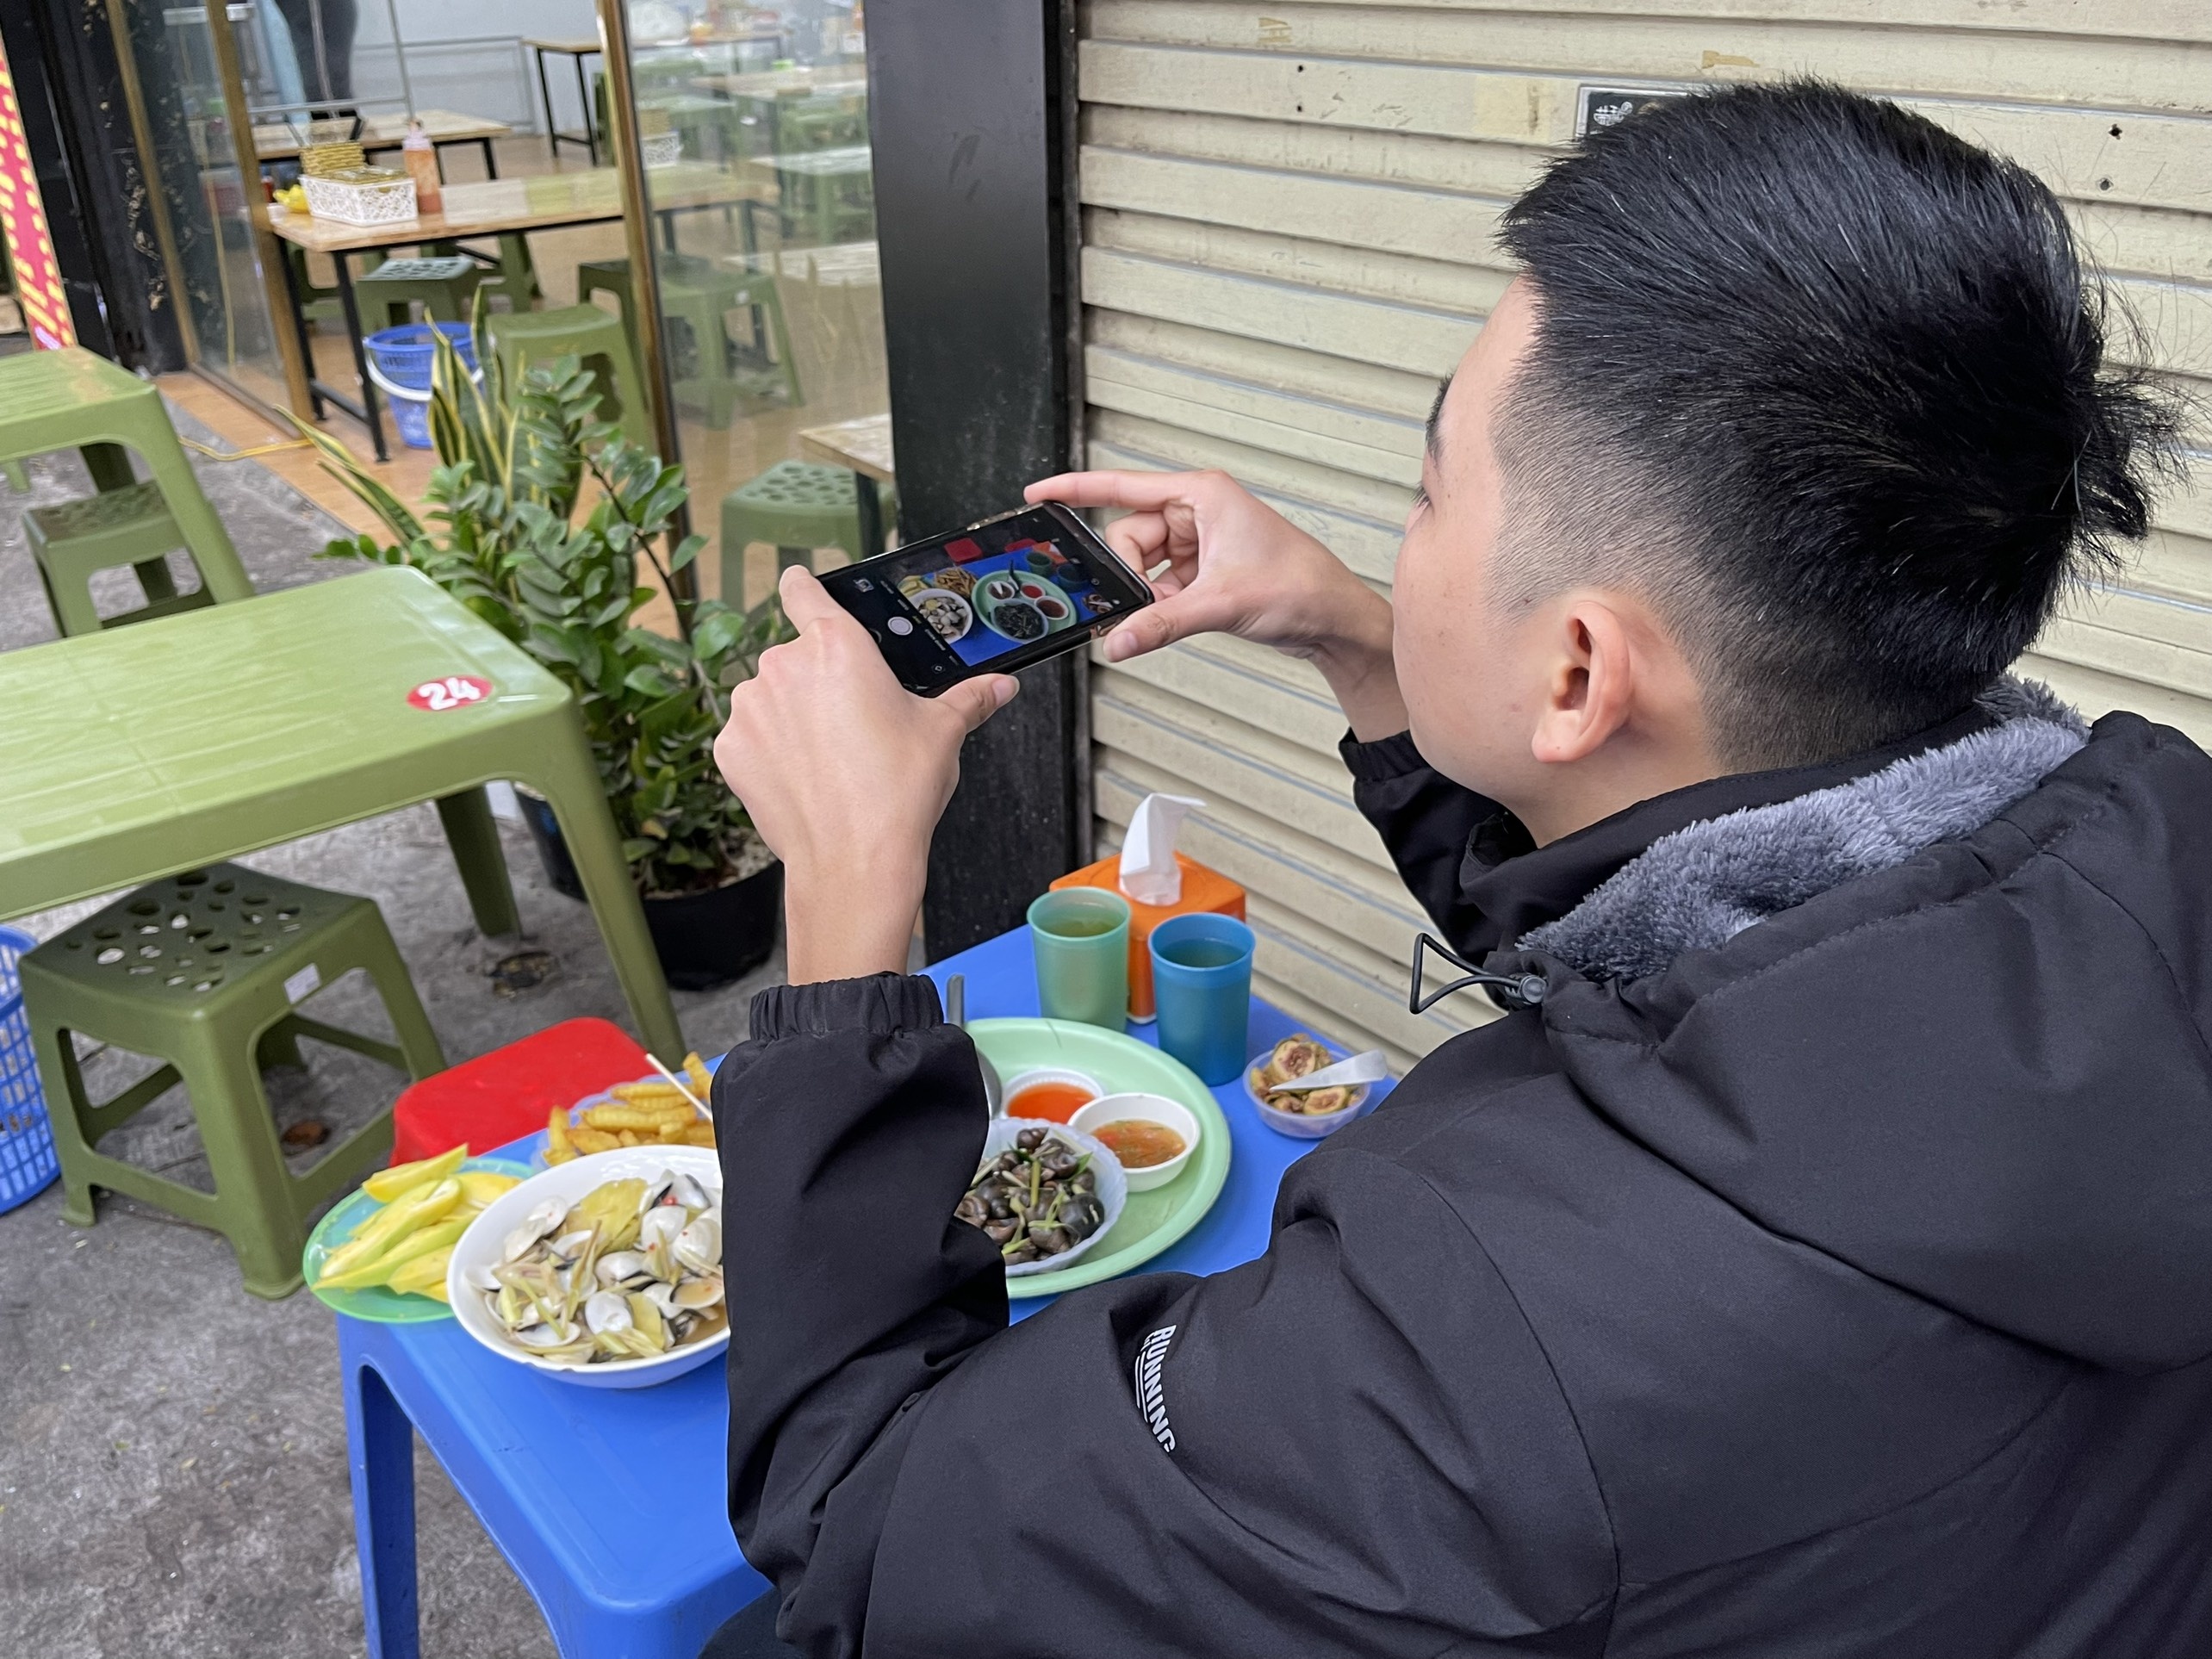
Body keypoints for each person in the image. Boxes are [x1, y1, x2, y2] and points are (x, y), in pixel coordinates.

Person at [701, 82, 2212, 1657]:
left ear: (1578, 676)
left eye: (1428, 489)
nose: (1398, 534)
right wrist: (1363, 638)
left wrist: (849, 906)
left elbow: (867, 1537)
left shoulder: (1466, 1353)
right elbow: (1683, 972)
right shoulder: (2138, 873)